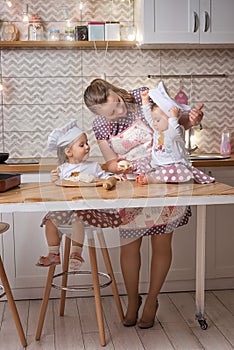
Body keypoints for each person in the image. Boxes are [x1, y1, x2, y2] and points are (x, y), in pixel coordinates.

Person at [83, 78, 204, 329]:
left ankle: (151, 301)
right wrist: (119, 165)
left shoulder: (141, 96)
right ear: (99, 114)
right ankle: (132, 301)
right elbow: (110, 161)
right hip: (133, 186)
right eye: (112, 113)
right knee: (129, 247)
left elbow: (175, 121)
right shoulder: (100, 126)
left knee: (162, 243)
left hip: (164, 179)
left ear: (114, 90)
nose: (119, 111)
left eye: (116, 103)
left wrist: (191, 120)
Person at [37, 119, 122, 270]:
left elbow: (104, 178)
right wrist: (54, 180)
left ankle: (76, 253)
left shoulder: (93, 166)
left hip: (86, 208)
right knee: (50, 221)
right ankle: (53, 253)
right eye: (82, 145)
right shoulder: (62, 169)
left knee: (78, 220)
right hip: (66, 207)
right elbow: (57, 188)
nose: (87, 147)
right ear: (68, 152)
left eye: (87, 143)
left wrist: (112, 177)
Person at [136, 81, 215, 184]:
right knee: (142, 163)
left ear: (170, 120)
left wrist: (174, 118)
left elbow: (174, 131)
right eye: (154, 120)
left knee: (174, 171)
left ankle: (153, 179)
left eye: (158, 120)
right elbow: (148, 117)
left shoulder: (175, 131)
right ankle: (150, 176)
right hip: (158, 165)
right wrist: (145, 100)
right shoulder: (157, 129)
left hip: (174, 166)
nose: (154, 123)